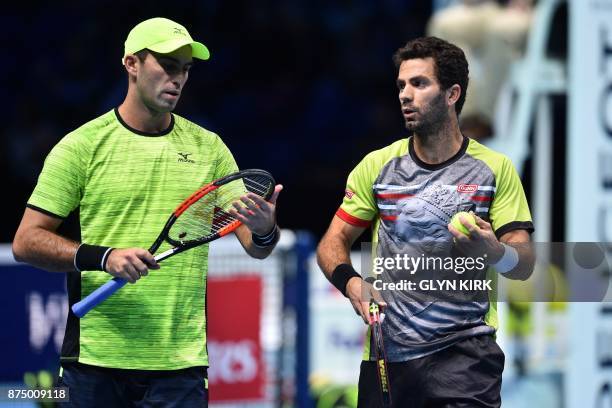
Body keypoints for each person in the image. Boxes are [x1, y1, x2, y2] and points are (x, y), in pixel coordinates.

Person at [12, 17, 282, 407]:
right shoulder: (81, 147)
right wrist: (103, 257)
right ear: (132, 64)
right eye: (168, 65)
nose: (178, 79)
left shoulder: (210, 149)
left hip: (180, 366)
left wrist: (264, 228)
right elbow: (26, 241)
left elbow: (257, 247)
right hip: (94, 363)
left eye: (185, 69)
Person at [316, 36, 534, 407]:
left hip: (467, 360)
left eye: (419, 83)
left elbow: (523, 263)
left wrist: (493, 250)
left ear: (452, 94)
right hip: (389, 359)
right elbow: (331, 242)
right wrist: (351, 282)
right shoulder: (377, 167)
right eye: (401, 85)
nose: (405, 94)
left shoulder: (494, 169)